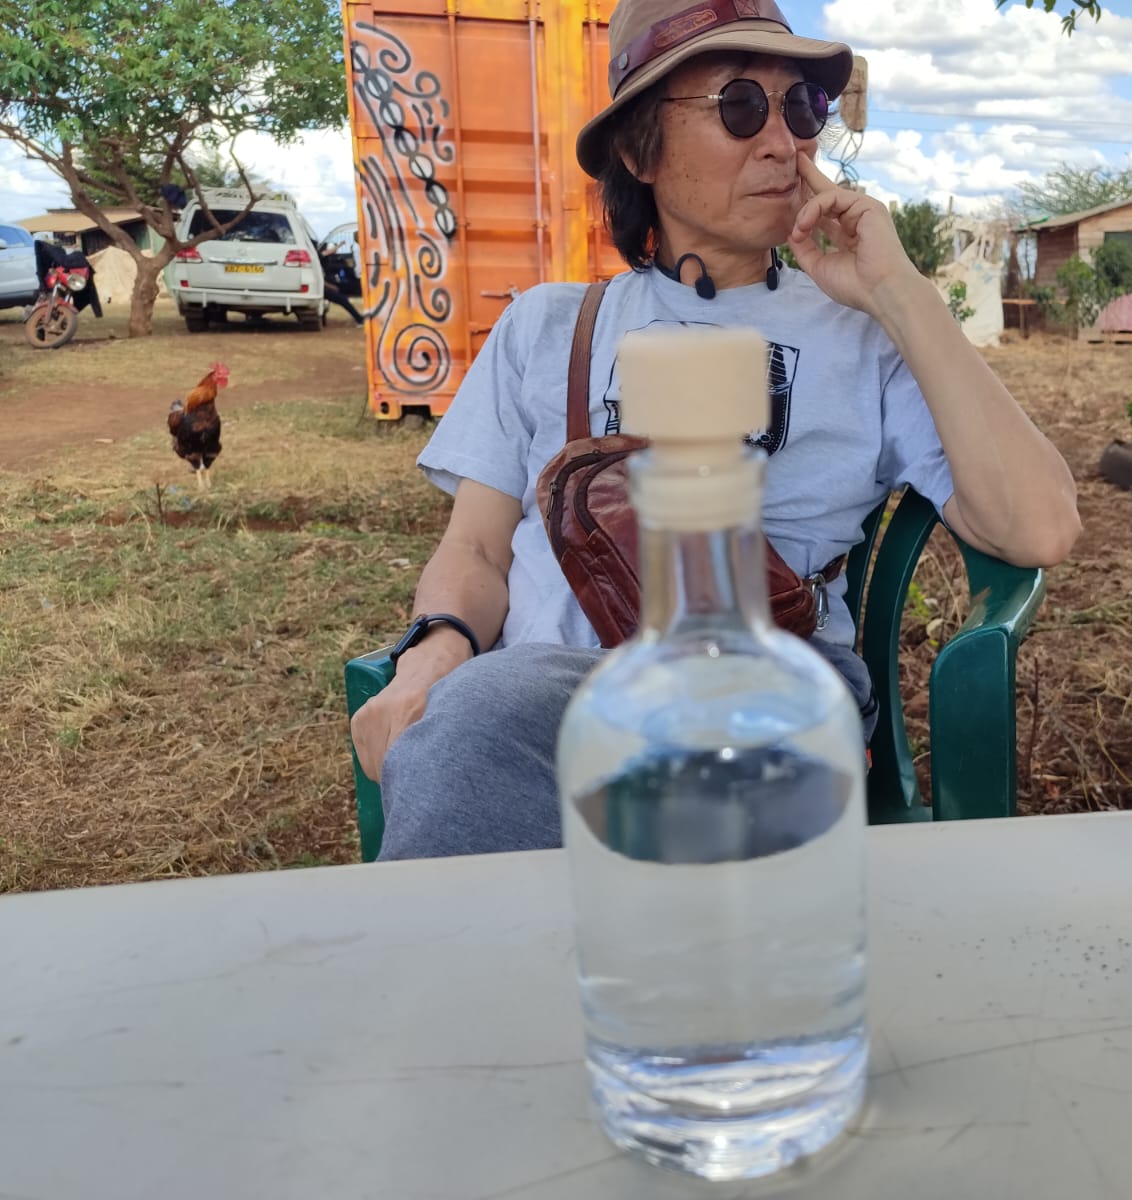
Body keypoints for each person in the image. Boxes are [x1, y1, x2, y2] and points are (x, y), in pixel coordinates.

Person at [352, 0, 1082, 860]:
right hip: (541, 704)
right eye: (740, 106)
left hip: (764, 698)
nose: (785, 142)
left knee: (487, 734)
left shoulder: (865, 337)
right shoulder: (547, 328)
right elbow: (475, 550)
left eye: (801, 109)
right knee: (476, 723)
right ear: (637, 149)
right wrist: (437, 653)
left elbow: (1040, 525)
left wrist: (900, 291)